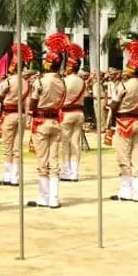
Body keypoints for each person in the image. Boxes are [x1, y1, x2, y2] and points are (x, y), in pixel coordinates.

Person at [108, 40, 138, 202]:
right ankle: (137, 192)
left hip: (124, 121)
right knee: (136, 156)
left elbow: (114, 104)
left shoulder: (125, 86)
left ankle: (126, 191)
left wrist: (111, 109)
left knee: (124, 157)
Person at [26, 33, 66, 210]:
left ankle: (43, 198)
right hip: (56, 122)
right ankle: (54, 198)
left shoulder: (41, 81)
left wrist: (30, 112)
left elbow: (33, 101)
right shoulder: (62, 82)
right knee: (54, 161)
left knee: (43, 162)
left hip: (40, 121)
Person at [0, 43, 33, 187]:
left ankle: (7, 176)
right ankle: (16, 177)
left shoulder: (9, 81)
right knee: (17, 147)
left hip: (9, 114)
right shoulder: (27, 83)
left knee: (7, 146)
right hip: (21, 115)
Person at [58, 40, 86, 182]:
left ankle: (65, 170)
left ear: (71, 67)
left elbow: (60, 96)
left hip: (67, 113)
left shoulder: (65, 81)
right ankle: (74, 172)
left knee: (65, 143)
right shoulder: (82, 81)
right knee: (76, 142)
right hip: (79, 113)